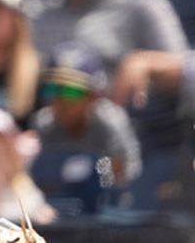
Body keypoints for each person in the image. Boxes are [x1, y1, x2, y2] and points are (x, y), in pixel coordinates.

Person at [31, 0, 190, 210]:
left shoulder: (141, 6)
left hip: (133, 154)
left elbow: (188, 73)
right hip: (54, 154)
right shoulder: (40, 13)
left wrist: (146, 61)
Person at [30, 41, 142, 212]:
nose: (61, 101)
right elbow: (42, 181)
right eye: (53, 89)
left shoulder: (110, 123)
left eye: (71, 92)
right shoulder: (44, 123)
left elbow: (122, 178)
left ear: (93, 96)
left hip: (108, 208)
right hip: (57, 208)